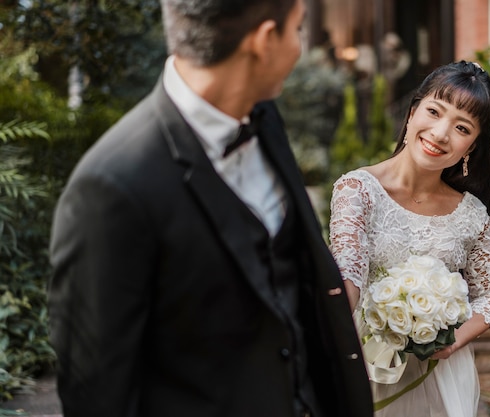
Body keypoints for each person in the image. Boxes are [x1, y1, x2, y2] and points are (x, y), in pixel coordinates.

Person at [47, 1, 373, 416]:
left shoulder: (264, 117)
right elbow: (98, 396)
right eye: (298, 29)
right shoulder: (110, 188)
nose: (300, 47)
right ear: (263, 40)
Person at [329, 61, 490, 416]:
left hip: (440, 375)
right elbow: (349, 274)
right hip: (366, 361)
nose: (441, 134)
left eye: (461, 127)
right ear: (412, 114)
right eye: (433, 111)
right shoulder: (358, 190)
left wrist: (451, 341)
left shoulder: (469, 212)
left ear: (471, 146)